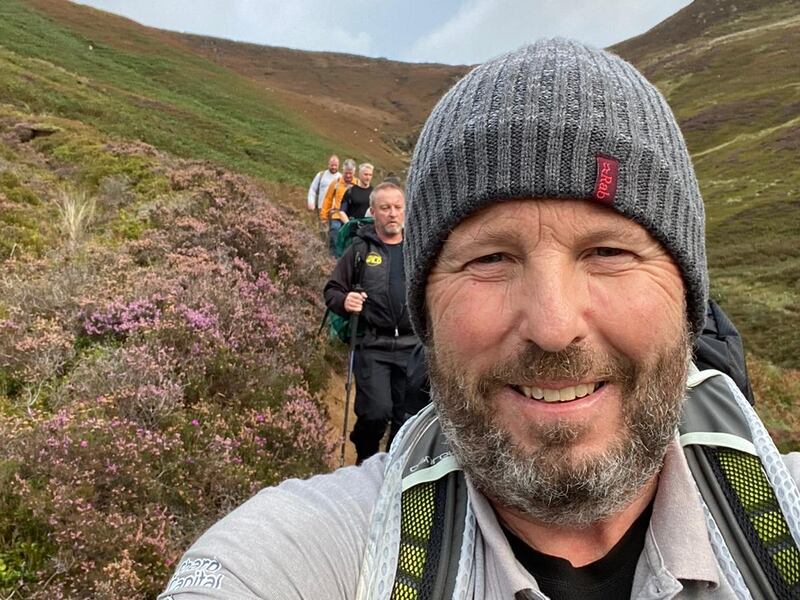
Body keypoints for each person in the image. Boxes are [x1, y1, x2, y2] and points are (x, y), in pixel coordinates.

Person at [159, 39, 800, 600]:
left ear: (690, 301)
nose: (553, 327)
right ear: (428, 305)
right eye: (490, 258)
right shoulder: (310, 556)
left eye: (608, 252)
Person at [323, 181, 417, 463]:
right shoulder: (360, 250)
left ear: (405, 211)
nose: (392, 213)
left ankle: (391, 469)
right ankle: (365, 461)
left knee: (406, 420)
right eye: (385, 208)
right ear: (373, 212)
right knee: (375, 414)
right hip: (373, 345)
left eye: (398, 207)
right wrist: (345, 301)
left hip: (414, 349)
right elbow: (332, 290)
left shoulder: (418, 249)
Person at [320, 158, 358, 255]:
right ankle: (332, 263)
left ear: (354, 172)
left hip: (351, 218)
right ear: (343, 171)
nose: (348, 175)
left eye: (350, 173)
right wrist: (323, 216)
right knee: (335, 239)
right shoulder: (336, 183)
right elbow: (327, 199)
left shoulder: (358, 184)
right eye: (346, 173)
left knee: (349, 242)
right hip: (336, 216)